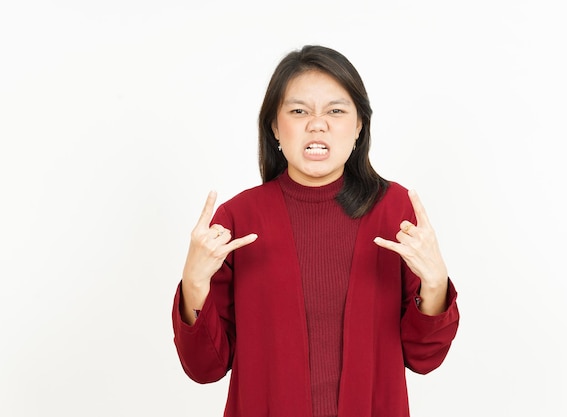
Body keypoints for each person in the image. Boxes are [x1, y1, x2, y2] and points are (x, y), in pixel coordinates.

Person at [172, 45, 460, 417]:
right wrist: (193, 283)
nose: (317, 123)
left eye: (336, 111)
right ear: (275, 126)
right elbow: (205, 368)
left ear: (359, 125)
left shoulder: (395, 211)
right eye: (298, 111)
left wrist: (435, 284)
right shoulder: (237, 221)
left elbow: (425, 358)